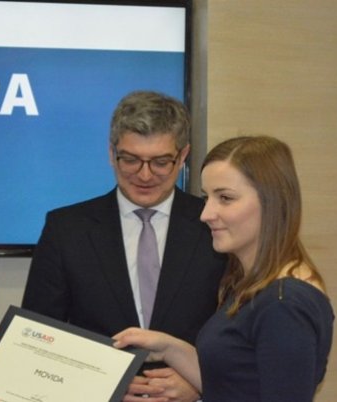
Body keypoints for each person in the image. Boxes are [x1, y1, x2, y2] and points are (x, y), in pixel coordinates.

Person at [21, 91, 227, 402]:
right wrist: (100, 386)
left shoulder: (214, 226)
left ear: (183, 156)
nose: (144, 175)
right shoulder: (66, 229)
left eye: (160, 162)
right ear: (111, 153)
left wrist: (199, 384)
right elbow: (36, 339)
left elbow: (239, 339)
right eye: (130, 160)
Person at [113, 135, 335, 401]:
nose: (206, 214)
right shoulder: (254, 285)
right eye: (207, 197)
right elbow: (235, 385)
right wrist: (170, 348)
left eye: (225, 198)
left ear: (273, 202)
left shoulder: (284, 303)